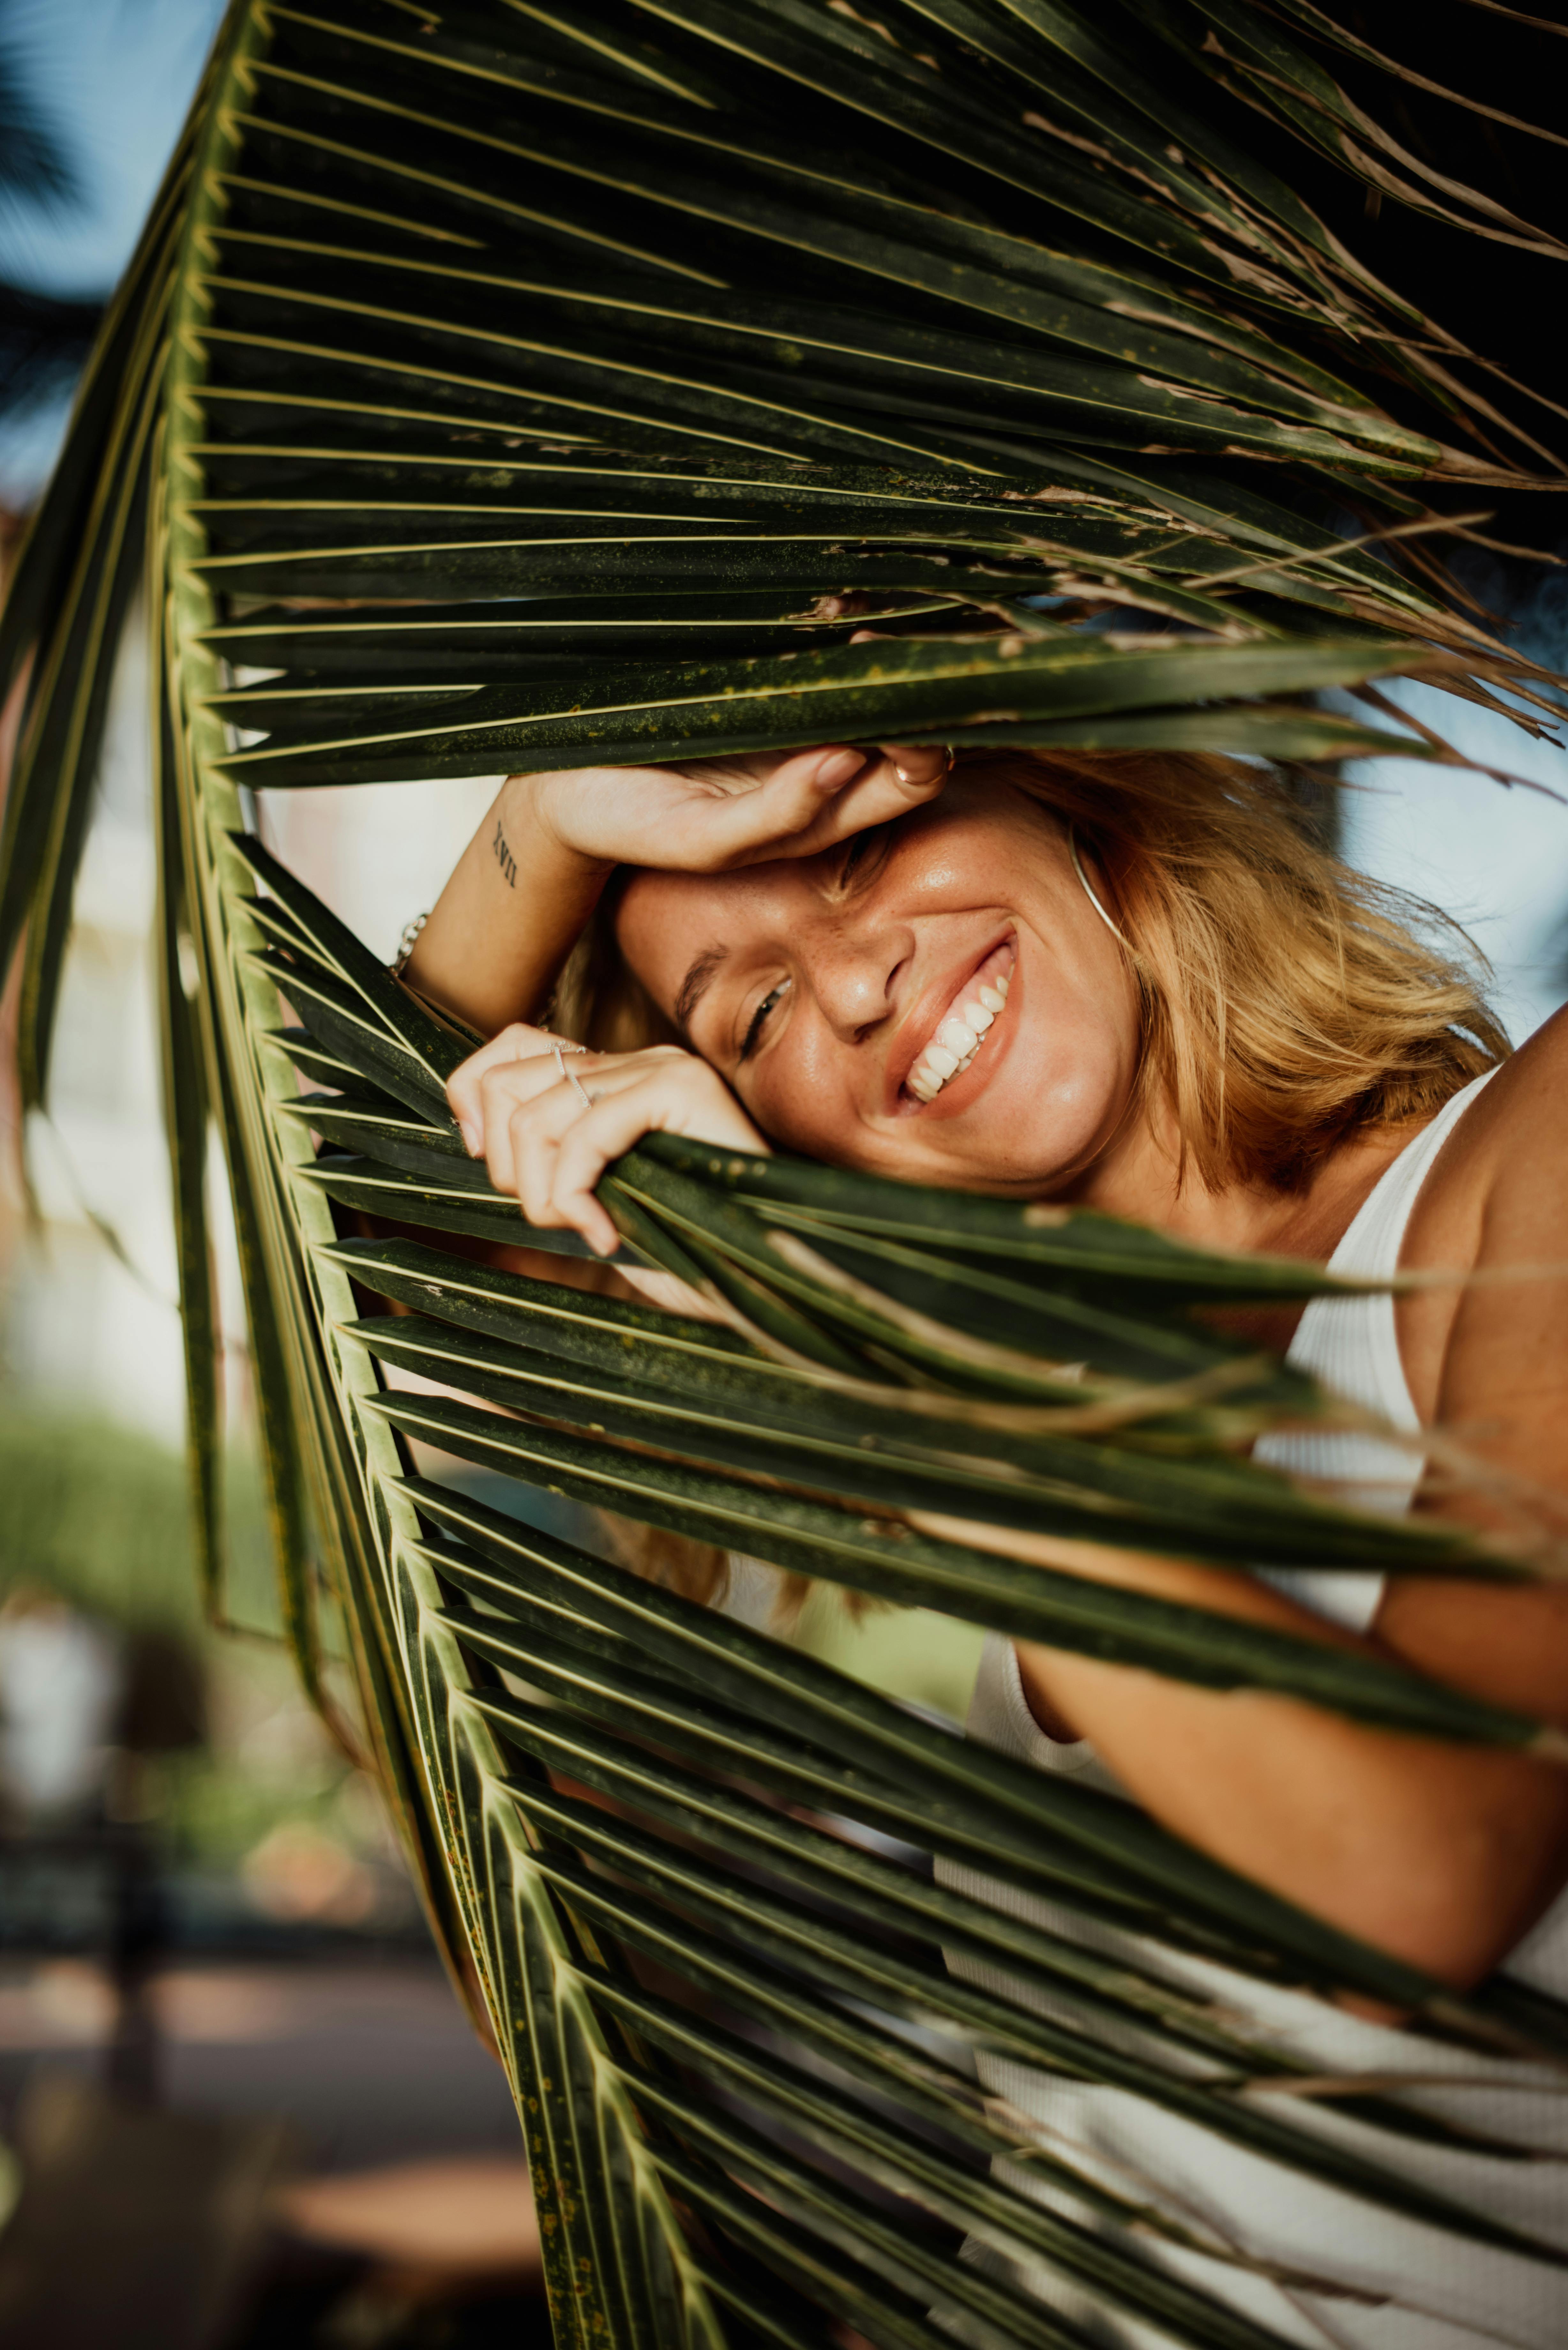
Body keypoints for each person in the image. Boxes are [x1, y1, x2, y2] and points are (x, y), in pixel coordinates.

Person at [404, 739, 1568, 2346]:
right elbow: (380, 1267)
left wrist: (883, 1357)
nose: (858, 982)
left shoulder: (1534, 1145)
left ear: (1057, 789)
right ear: (772, 1139)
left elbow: (1421, 1879)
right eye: (752, 1014)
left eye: (858, 854)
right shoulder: (1033, 1405)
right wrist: (538, 817)